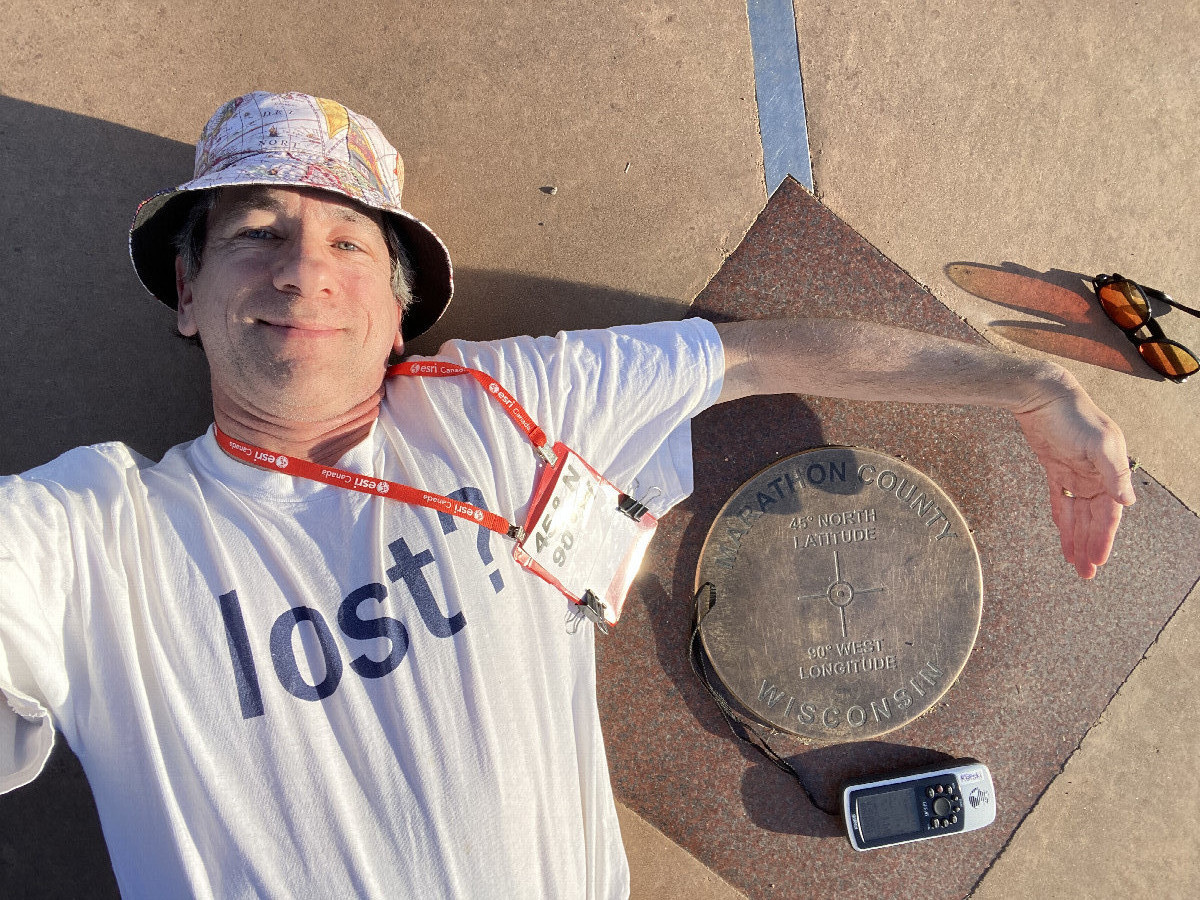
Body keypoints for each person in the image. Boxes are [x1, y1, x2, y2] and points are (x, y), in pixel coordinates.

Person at [0, 92, 1133, 898]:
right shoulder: (95, 535)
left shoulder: (500, 406)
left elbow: (755, 357)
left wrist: (1025, 381)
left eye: (347, 238)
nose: (303, 267)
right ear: (188, 291)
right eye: (255, 233)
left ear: (398, 313)